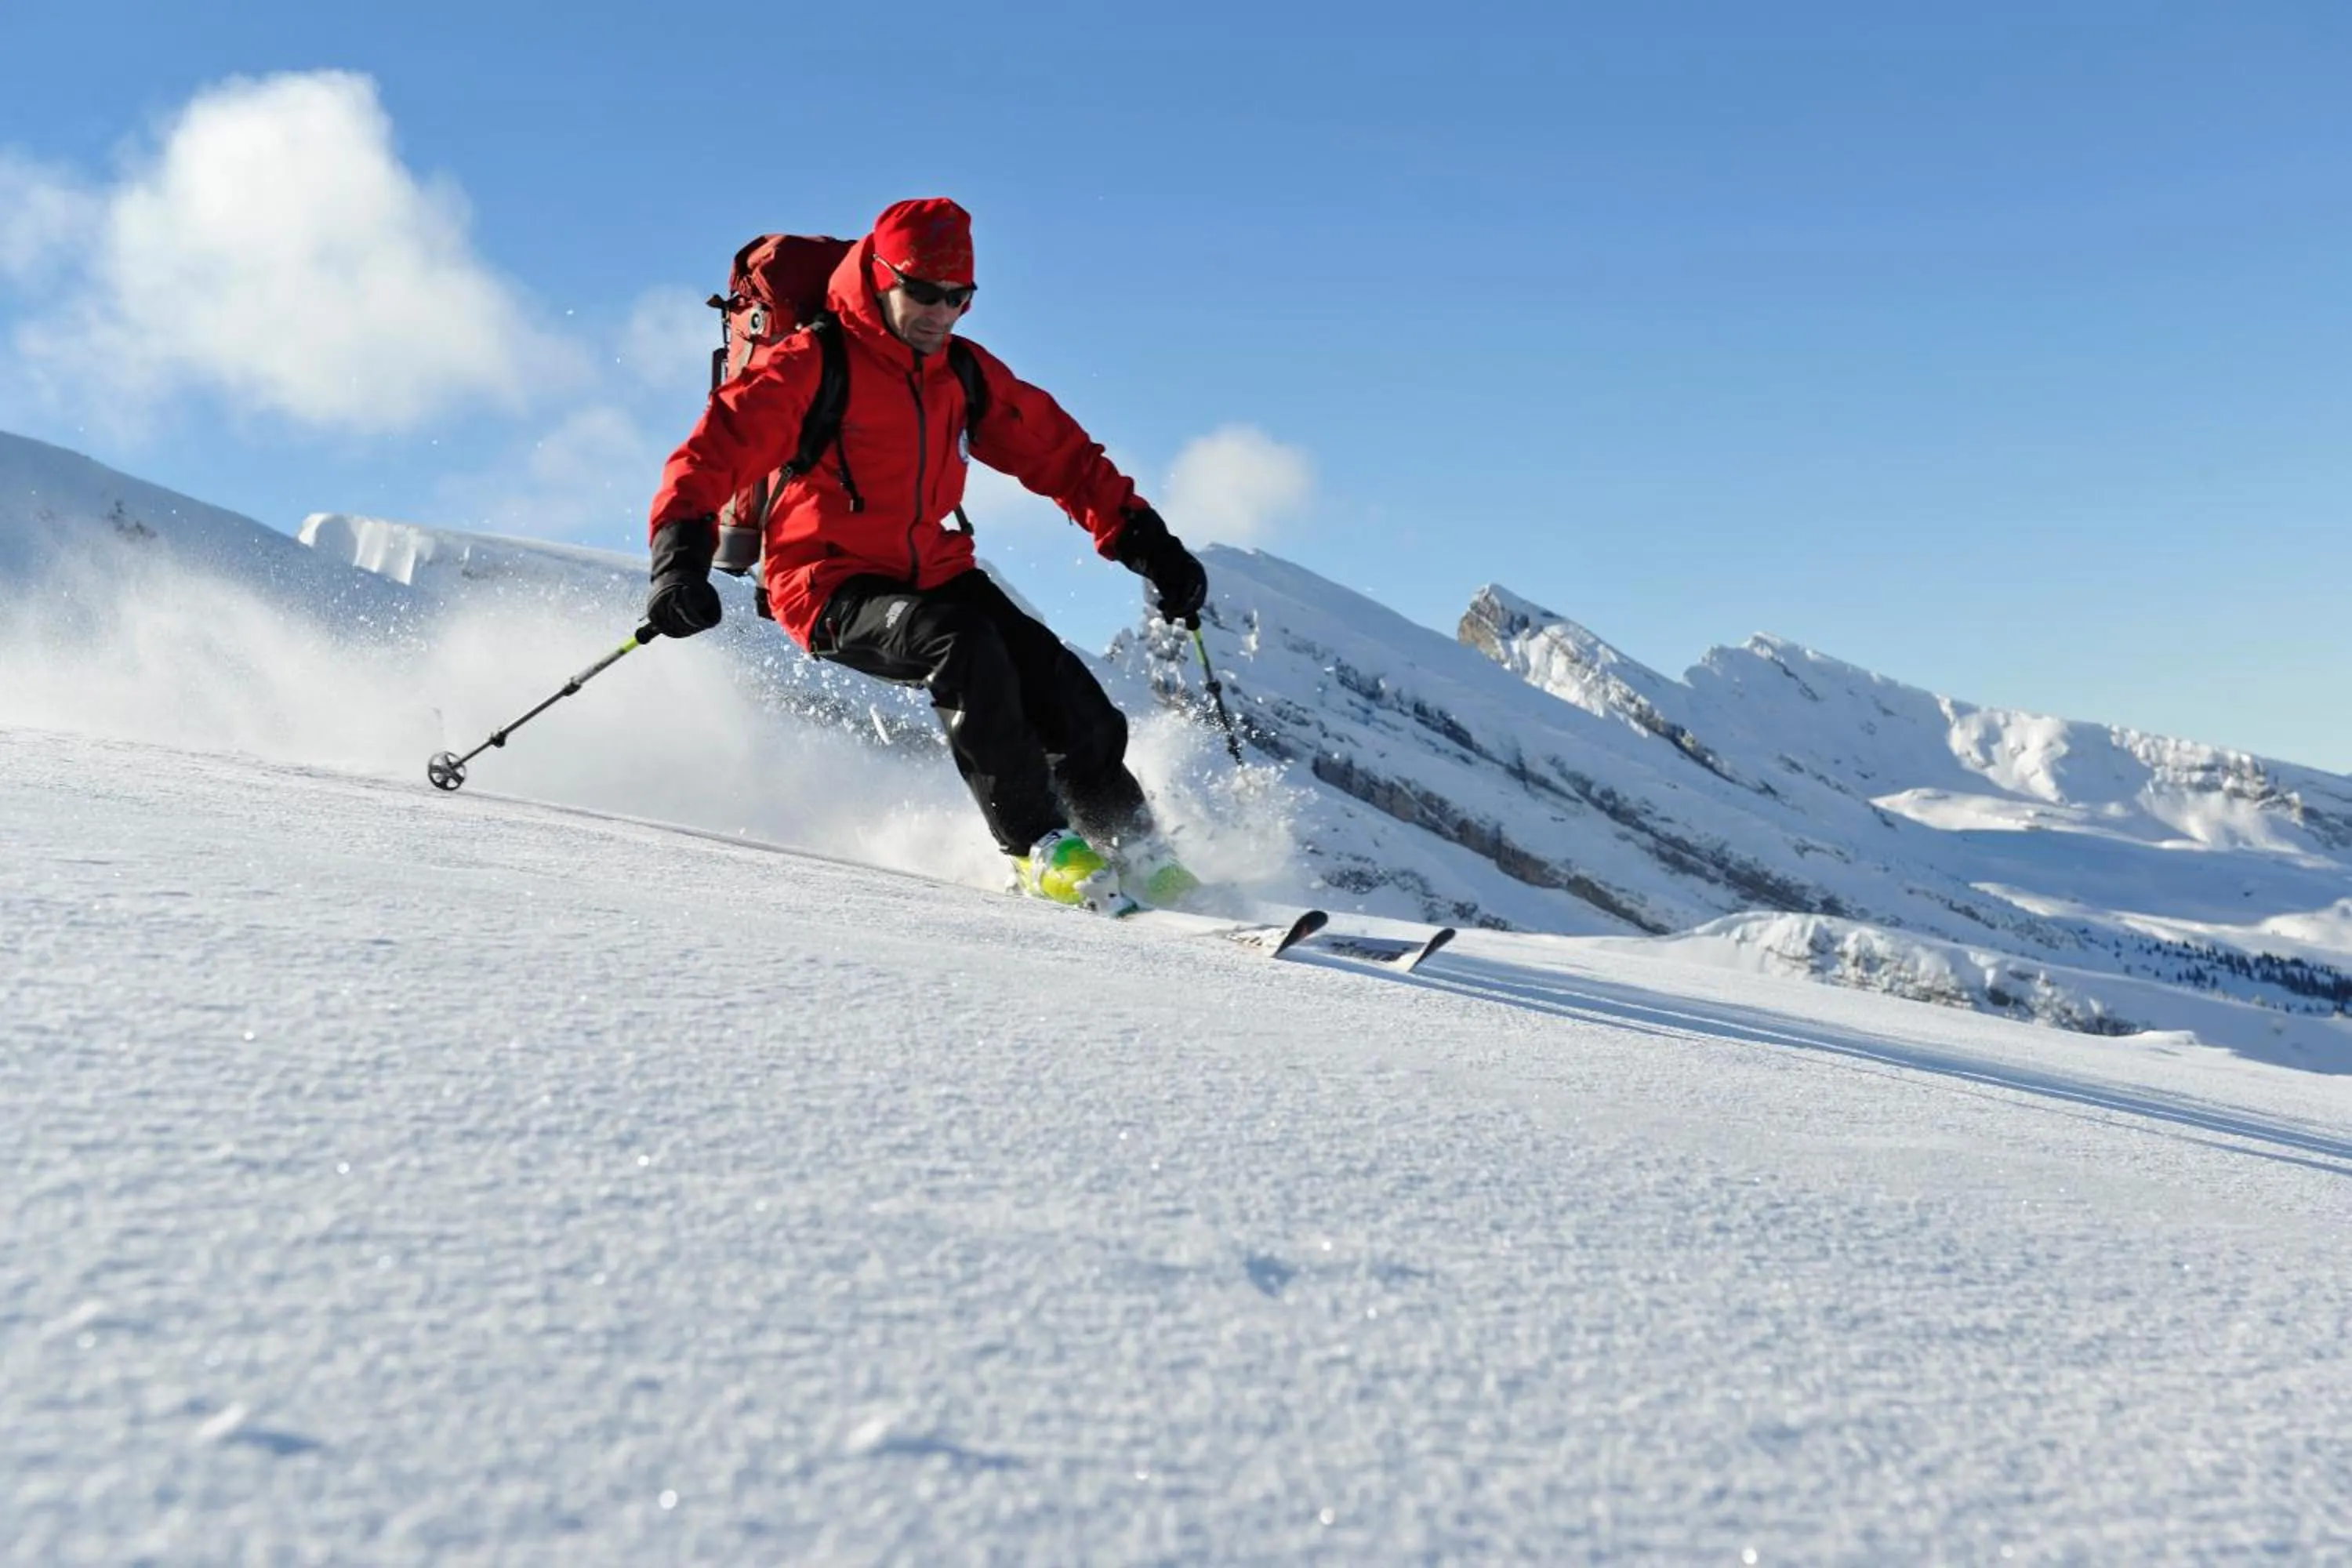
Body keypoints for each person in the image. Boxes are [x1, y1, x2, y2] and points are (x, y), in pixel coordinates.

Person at [641, 197, 1209, 912]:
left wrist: (1148, 544)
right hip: (826, 585)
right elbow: (710, 454)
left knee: (1063, 689)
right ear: (881, 277)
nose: (941, 312)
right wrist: (677, 564)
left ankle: (1133, 844)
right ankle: (1038, 847)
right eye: (924, 292)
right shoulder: (813, 363)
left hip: (933, 572)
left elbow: (1060, 456)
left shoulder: (959, 372)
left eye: (958, 297)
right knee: (964, 647)